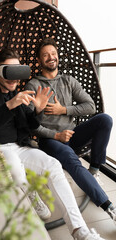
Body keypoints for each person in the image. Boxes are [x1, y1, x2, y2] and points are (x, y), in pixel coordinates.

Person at [0, 48, 106, 240]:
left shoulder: (16, 92)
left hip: (19, 146)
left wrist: (38, 111)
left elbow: (29, 126)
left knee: (53, 165)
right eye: (9, 72)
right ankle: (29, 194)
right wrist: (9, 106)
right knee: (15, 168)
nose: (14, 80)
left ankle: (80, 231)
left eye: (18, 73)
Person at [25, 37, 116, 225]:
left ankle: (95, 170)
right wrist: (41, 112)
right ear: (39, 61)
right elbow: (29, 124)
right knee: (71, 159)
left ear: (58, 57)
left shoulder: (68, 80)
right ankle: (109, 207)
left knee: (104, 120)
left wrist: (64, 110)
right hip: (50, 140)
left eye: (53, 54)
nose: (51, 57)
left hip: (72, 135)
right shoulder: (33, 86)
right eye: (45, 55)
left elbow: (90, 106)